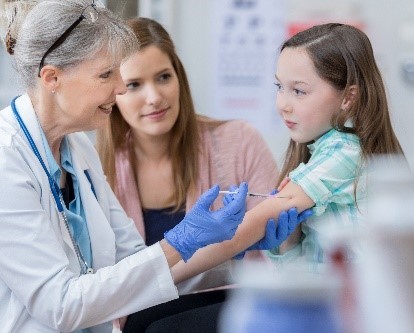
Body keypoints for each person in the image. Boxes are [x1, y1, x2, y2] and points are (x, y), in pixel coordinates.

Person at [0, 1, 303, 332]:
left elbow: (135, 268)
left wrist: (228, 254)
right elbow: (60, 306)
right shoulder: (7, 161)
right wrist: (181, 240)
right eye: (106, 74)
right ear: (52, 77)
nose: (119, 88)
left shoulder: (77, 147)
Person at [95, 17, 309, 332]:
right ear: (113, 93)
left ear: (179, 78)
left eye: (163, 77)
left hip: (232, 301)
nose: (154, 97)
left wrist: (276, 236)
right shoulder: (103, 170)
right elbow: (109, 282)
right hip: (146, 311)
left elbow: (283, 236)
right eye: (134, 85)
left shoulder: (238, 141)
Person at [165, 22, 405, 292]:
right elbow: (298, 272)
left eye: (299, 91)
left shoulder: (345, 153)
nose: (282, 104)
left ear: (348, 98)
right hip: (314, 301)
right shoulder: (322, 151)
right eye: (279, 87)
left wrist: (153, 279)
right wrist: (288, 240)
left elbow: (244, 232)